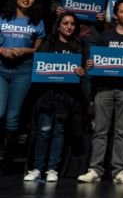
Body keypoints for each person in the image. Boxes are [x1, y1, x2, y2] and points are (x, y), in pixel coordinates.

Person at [78, 0, 123, 184]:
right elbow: (96, 61)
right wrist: (91, 64)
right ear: (116, 15)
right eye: (122, 11)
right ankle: (95, 169)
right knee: (100, 131)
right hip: (104, 88)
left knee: (122, 132)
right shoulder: (105, 36)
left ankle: (118, 171)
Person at [24, 12, 86, 182]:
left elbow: (83, 71)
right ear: (59, 25)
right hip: (47, 94)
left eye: (72, 24)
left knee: (59, 131)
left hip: (67, 96)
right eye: (65, 23)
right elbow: (39, 67)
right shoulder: (48, 43)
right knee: (44, 131)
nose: (69, 26)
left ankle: (52, 169)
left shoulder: (78, 46)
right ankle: (37, 168)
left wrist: (81, 72)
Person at [1, 0, 45, 168]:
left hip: (24, 71)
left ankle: (3, 156)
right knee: (0, 112)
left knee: (13, 116)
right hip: (1, 69)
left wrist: (25, 50)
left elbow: (39, 49)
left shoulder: (36, 21)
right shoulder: (3, 18)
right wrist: (1, 50)